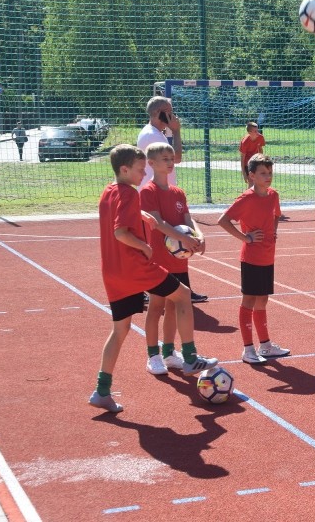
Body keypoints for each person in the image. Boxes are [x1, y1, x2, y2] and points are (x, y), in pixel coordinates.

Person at [89, 144, 218, 413]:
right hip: (135, 268)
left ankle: (102, 390)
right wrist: (143, 246)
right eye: (139, 170)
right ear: (124, 169)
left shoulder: (108, 192)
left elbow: (131, 219)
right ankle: (191, 358)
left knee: (120, 330)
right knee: (182, 295)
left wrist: (145, 219)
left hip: (112, 273)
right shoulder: (130, 193)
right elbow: (120, 233)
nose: (142, 174)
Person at [139, 142, 206, 376]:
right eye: (164, 159)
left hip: (179, 259)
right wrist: (183, 238)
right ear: (151, 163)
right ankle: (153, 355)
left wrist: (198, 236)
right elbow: (157, 223)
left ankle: (169, 352)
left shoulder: (178, 192)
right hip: (158, 259)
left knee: (173, 305)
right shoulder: (148, 191)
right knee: (156, 306)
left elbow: (188, 218)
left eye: (171, 158)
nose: (169, 162)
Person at [218, 153, 291, 364]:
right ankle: (248, 349)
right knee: (249, 300)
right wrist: (245, 238)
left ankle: (266, 346)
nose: (268, 176)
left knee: (263, 300)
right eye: (263, 173)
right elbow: (223, 220)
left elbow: (276, 215)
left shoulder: (273, 195)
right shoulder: (246, 199)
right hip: (251, 257)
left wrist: (274, 230)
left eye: (270, 172)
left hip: (268, 256)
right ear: (251, 176)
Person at [136, 96, 207, 303]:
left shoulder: (155, 132)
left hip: (166, 192)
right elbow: (176, 157)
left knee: (175, 242)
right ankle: (151, 289)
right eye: (169, 111)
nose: (173, 115)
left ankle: (181, 288)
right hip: (155, 195)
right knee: (161, 245)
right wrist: (176, 131)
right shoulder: (151, 135)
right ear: (159, 113)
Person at [239, 121, 266, 187]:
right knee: (251, 183)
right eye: (255, 131)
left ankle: (258, 197)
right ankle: (249, 196)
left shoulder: (260, 137)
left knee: (259, 182)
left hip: (256, 161)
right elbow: (242, 159)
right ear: (249, 133)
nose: (257, 133)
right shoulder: (245, 142)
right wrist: (244, 174)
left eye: (257, 130)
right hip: (247, 164)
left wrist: (261, 161)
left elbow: (260, 150)